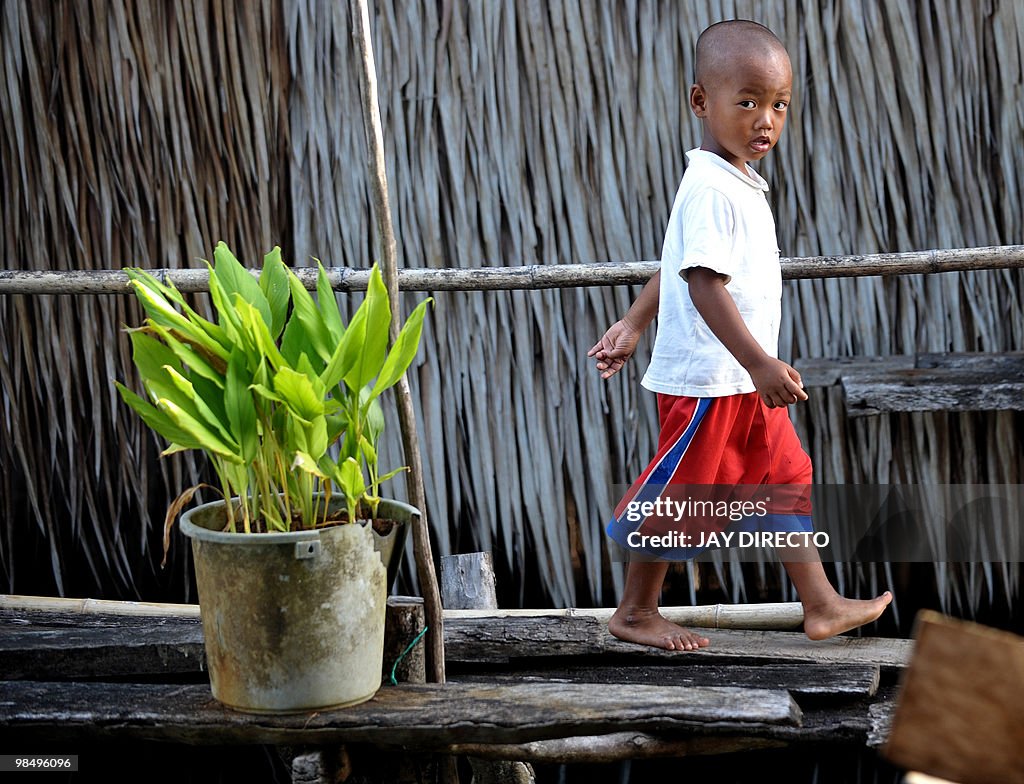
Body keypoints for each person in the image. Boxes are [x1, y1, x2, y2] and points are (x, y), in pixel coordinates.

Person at [588, 19, 892, 651]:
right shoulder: (709, 187)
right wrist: (760, 363)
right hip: (710, 379)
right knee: (683, 495)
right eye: (747, 102)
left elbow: (675, 262)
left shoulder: (737, 182)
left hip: (740, 377)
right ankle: (637, 611)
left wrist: (634, 321)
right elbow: (700, 283)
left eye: (779, 105)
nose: (766, 121)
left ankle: (821, 604)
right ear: (700, 102)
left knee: (784, 473)